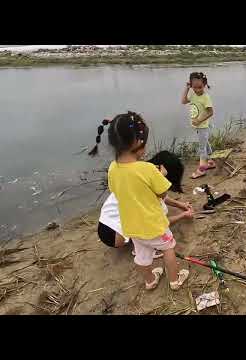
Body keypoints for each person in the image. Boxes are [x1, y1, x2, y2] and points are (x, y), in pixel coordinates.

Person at [89, 112, 189, 291]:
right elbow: (162, 193)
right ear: (138, 143)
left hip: (131, 228)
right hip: (153, 226)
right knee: (168, 248)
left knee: (142, 257)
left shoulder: (112, 169)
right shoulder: (147, 169)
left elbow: (116, 191)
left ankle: (150, 280)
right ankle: (175, 280)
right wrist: (163, 176)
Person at [96, 150, 193, 257]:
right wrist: (183, 215)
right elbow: (160, 223)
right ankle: (139, 249)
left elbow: (162, 196)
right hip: (116, 235)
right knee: (153, 226)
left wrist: (181, 205)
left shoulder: (139, 172)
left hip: (104, 226)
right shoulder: (152, 182)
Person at [181, 72, 216, 179]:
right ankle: (210, 161)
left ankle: (202, 169)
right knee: (205, 143)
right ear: (191, 86)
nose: (197, 90)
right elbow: (183, 101)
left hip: (203, 126)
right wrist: (187, 89)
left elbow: (210, 112)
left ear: (204, 84)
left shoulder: (205, 97)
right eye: (194, 87)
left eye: (200, 87)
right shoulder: (193, 95)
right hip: (198, 126)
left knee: (202, 148)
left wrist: (199, 120)